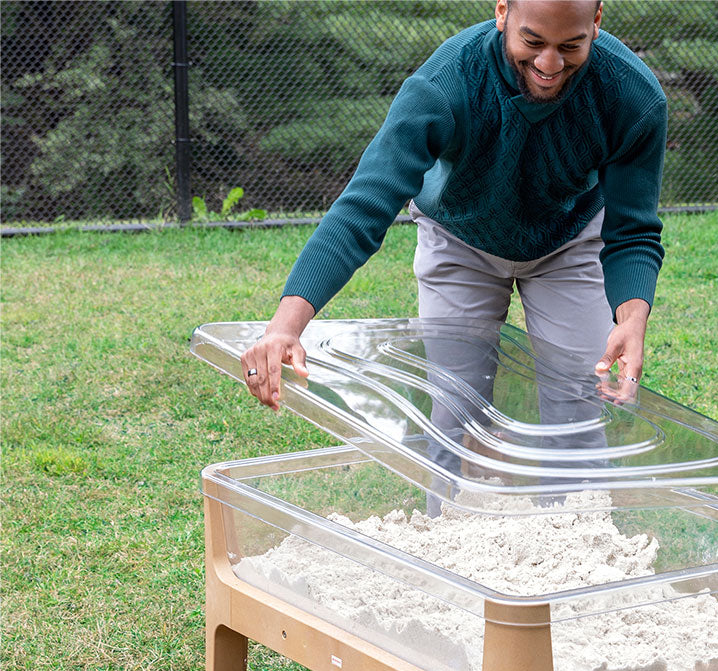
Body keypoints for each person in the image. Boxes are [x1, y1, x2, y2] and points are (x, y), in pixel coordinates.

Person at [240, 0, 667, 413]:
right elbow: (365, 205)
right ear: (502, 12)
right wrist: (284, 327)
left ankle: (571, 491)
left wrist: (631, 317)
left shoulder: (631, 96)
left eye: (570, 46)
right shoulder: (446, 83)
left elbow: (632, 229)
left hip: (568, 241)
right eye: (532, 42)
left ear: (596, 21)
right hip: (459, 236)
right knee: (453, 410)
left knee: (581, 405)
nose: (550, 64)